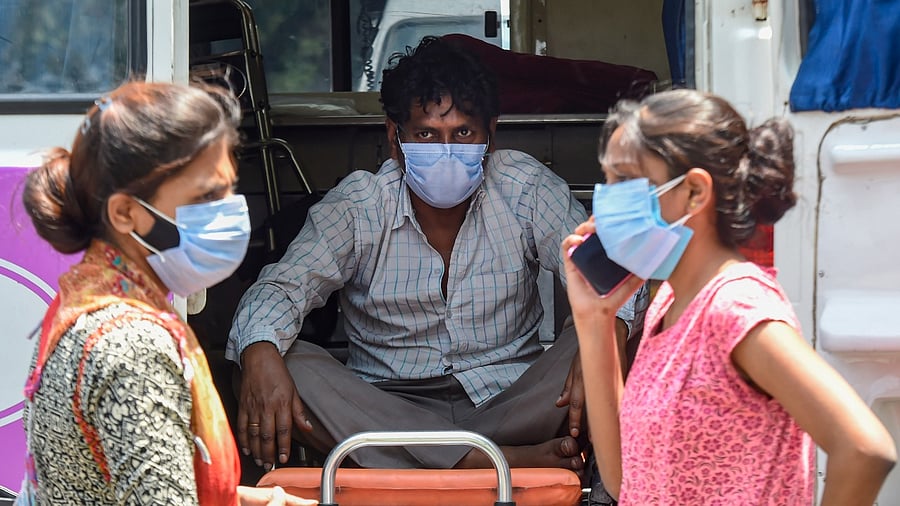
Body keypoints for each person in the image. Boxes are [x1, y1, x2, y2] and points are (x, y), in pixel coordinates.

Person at [226, 35, 641, 473]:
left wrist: (609, 331)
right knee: (268, 358)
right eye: (426, 135)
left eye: (463, 133)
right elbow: (279, 289)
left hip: (512, 403)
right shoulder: (359, 204)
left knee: (613, 332)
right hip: (386, 406)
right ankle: (480, 463)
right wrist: (259, 352)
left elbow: (612, 270)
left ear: (490, 135)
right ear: (395, 137)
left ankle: (428, 460)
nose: (446, 150)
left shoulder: (523, 186)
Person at [563, 89, 897, 504]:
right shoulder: (669, 304)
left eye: (625, 181)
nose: (606, 200)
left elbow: (863, 449)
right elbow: (624, 481)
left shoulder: (735, 307)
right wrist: (593, 318)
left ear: (694, 193)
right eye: (607, 180)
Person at [18, 81, 316, 505]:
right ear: (126, 214)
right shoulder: (133, 345)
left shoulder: (85, 301)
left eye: (228, 190)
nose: (228, 211)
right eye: (207, 196)